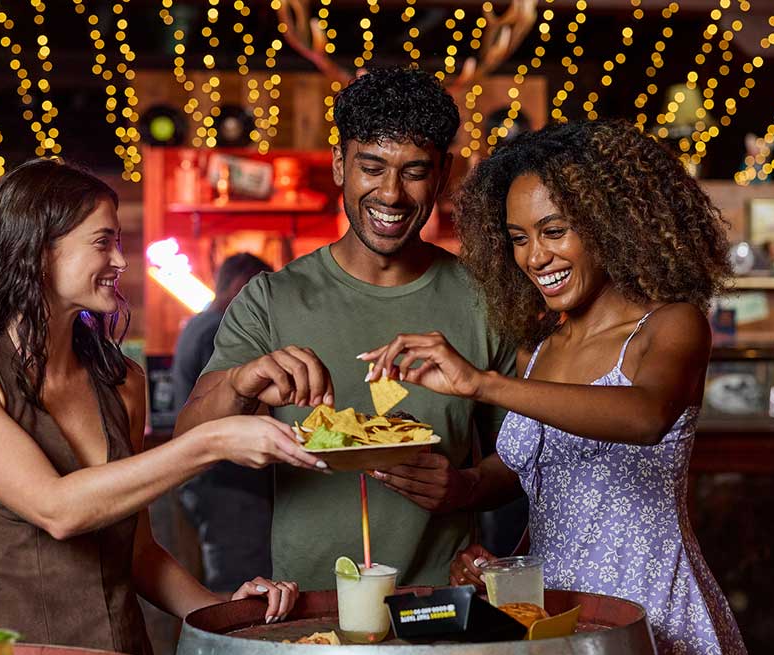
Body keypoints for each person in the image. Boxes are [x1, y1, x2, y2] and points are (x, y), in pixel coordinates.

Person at [360, 120, 766, 655]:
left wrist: (483, 383)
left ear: (611, 226)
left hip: (651, 606)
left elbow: (645, 415)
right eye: (518, 237)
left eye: (554, 231)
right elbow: (545, 477)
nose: (535, 256)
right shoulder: (546, 345)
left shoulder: (671, 325)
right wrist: (485, 534)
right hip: (551, 613)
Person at [0, 159, 317, 654]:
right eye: (102, 242)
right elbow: (57, 509)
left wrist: (226, 612)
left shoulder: (123, 381)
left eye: (119, 242)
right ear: (39, 250)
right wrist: (212, 441)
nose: (121, 261)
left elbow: (137, 552)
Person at [174, 66, 523, 591]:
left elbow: (524, 458)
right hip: (306, 610)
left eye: (414, 171)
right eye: (372, 167)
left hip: (438, 608)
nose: (391, 194)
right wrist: (243, 381)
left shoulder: (485, 301)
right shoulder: (271, 300)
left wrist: (464, 488)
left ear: (444, 174)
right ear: (340, 165)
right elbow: (188, 443)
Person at [172, 253, 275, 592]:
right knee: (239, 585)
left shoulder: (197, 324)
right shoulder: (218, 331)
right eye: (258, 292)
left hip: (208, 479)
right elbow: (230, 405)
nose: (265, 305)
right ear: (237, 287)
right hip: (228, 481)